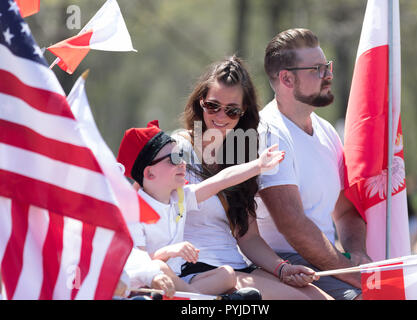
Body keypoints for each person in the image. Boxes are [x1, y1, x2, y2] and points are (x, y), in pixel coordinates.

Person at [174, 55, 332, 300]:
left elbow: (248, 238)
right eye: (213, 106)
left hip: (239, 266)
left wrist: (283, 269)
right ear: (200, 102)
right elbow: (157, 211)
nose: (221, 116)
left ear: (243, 112)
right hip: (197, 273)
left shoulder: (241, 157)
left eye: (232, 110)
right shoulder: (177, 149)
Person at [255, 28, 372, 300]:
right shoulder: (267, 131)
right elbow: (293, 224)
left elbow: (345, 212)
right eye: (317, 69)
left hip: (323, 262)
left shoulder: (327, 130)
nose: (328, 75)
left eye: (327, 66)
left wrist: (358, 252)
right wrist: (352, 273)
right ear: (286, 78)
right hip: (282, 264)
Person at [116, 119, 283, 298]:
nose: (182, 163)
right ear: (150, 173)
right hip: (143, 284)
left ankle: (185, 298)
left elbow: (220, 180)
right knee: (160, 267)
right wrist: (169, 252)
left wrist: (258, 165)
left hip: (176, 281)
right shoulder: (134, 210)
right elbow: (140, 262)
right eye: (173, 158)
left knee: (227, 274)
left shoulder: (179, 198)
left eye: (181, 155)